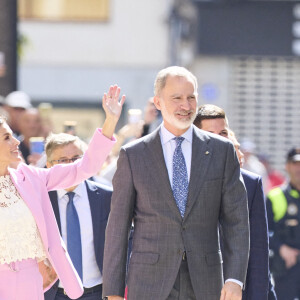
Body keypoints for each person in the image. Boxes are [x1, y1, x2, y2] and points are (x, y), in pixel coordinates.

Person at [102, 66, 249, 300]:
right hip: (149, 283)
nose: (186, 105)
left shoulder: (222, 151)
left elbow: (237, 221)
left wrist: (234, 279)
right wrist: (113, 292)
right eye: (177, 98)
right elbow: (118, 226)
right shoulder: (134, 155)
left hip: (207, 283)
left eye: (191, 97)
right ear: (158, 102)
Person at [0, 85, 125, 300]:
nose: (17, 141)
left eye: (12, 136)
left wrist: (110, 122)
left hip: (32, 281)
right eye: (6, 138)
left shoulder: (31, 177)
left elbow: (83, 168)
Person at [194, 103, 276, 300]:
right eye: (210, 133)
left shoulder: (250, 183)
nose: (218, 139)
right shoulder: (181, 181)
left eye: (223, 132)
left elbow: (257, 252)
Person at [43, 133, 112, 300]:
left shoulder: (106, 196)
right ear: (48, 165)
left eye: (76, 158)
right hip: (54, 294)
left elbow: (123, 240)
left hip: (97, 292)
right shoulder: (41, 200)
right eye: (62, 160)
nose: (71, 165)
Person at [266, 147, 300, 300]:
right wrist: (282, 248)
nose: (298, 168)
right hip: (285, 270)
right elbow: (263, 232)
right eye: (295, 163)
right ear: (287, 166)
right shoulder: (275, 196)